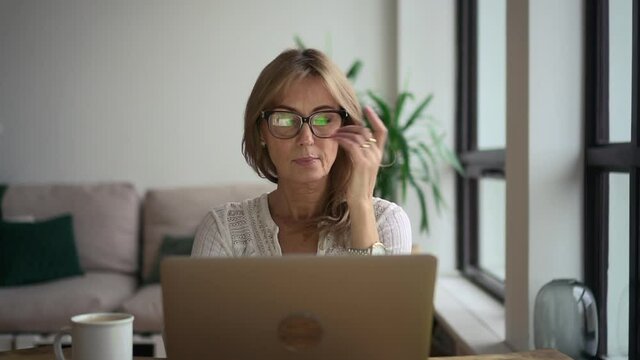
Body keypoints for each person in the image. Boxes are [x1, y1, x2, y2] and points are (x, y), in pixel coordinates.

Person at [191, 48, 411, 257]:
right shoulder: (223, 229)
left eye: (324, 118)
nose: (306, 139)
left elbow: (378, 297)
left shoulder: (387, 221)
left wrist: (361, 204)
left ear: (346, 127)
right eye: (285, 119)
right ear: (261, 132)